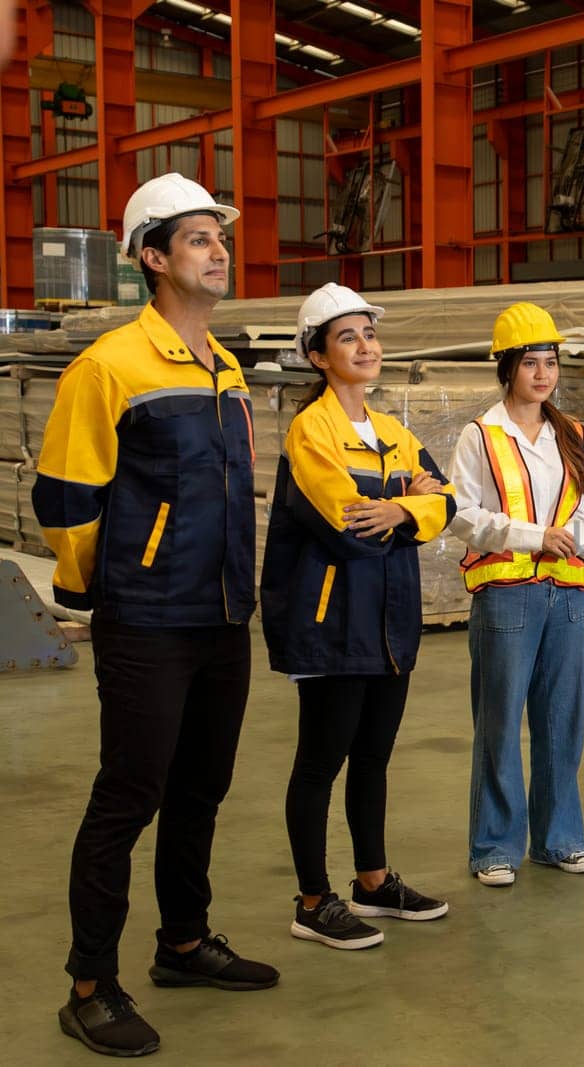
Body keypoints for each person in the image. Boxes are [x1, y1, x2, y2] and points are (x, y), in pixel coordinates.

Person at [35, 174, 278, 1057]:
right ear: (153, 256)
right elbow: (66, 495)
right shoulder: (108, 365)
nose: (221, 251)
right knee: (129, 794)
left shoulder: (224, 366)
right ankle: (90, 984)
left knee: (200, 787)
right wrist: (98, 590)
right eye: (202, 239)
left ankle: (183, 941)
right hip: (147, 618)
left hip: (220, 614)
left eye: (222, 237)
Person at [260, 283, 456, 950]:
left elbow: (446, 501)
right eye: (348, 337)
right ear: (317, 355)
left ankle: (372, 882)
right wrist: (407, 503)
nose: (366, 346)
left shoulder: (396, 434)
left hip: (391, 620)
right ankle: (313, 899)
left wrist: (404, 507)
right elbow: (347, 525)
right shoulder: (311, 431)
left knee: (373, 756)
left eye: (369, 334)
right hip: (331, 622)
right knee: (321, 761)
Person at [451, 303, 584, 887]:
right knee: (499, 720)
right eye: (531, 362)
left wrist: (572, 538)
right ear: (507, 367)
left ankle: (559, 839)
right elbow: (462, 515)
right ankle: (494, 846)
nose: (543, 374)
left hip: (565, 591)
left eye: (551, 362)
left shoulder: (571, 433)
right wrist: (536, 536)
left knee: (563, 719)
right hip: (505, 592)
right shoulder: (481, 436)